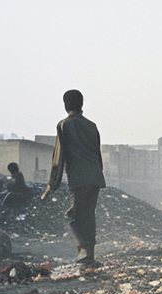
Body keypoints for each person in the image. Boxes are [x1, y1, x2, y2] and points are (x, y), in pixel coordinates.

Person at [41, 89, 106, 267]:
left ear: (65, 105)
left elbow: (58, 157)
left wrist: (51, 185)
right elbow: (97, 153)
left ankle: (85, 253)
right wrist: (98, 175)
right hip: (95, 177)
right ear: (81, 104)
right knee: (88, 215)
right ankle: (89, 255)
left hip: (79, 178)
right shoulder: (92, 126)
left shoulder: (64, 125)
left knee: (74, 215)